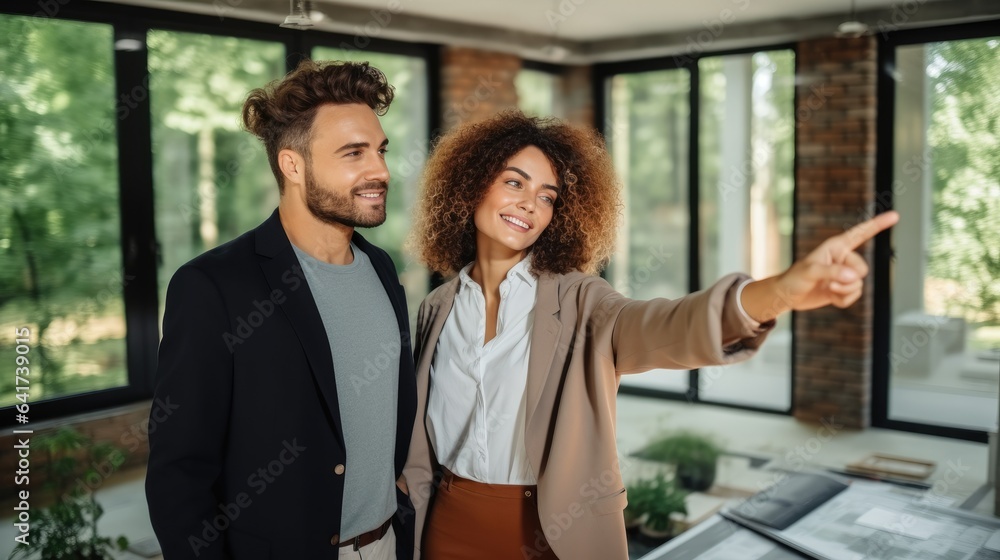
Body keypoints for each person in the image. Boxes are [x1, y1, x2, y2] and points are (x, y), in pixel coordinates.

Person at [401, 110, 899, 559]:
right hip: (447, 529)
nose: (530, 204)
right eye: (515, 183)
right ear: (470, 186)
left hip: (553, 536)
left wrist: (781, 291)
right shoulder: (437, 310)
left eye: (547, 197)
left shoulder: (580, 300)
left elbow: (666, 325)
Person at [146, 60, 416, 560]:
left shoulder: (381, 267)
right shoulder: (213, 286)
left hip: (387, 544)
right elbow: (178, 473)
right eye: (353, 153)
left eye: (379, 150)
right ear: (292, 165)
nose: (379, 170)